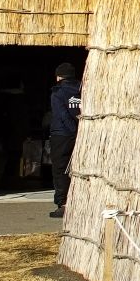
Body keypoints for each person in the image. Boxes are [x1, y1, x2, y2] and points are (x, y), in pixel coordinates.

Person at [49, 62, 83, 218]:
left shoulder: (58, 93)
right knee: (78, 169)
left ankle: (63, 204)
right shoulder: (82, 90)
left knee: (60, 170)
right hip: (81, 133)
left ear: (58, 77)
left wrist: (72, 132)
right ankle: (79, 201)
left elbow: (62, 115)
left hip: (62, 135)